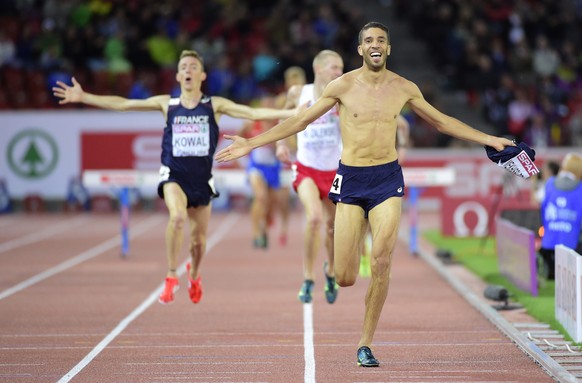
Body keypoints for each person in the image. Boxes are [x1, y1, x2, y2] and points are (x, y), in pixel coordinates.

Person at [215, 21, 514, 367]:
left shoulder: (404, 87)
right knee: (345, 276)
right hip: (352, 179)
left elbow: (442, 121)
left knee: (382, 260)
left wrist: (490, 140)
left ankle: (365, 343)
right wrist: (251, 143)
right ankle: (333, 270)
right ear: (360, 49)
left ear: (388, 48)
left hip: (387, 178)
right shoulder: (343, 85)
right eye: (369, 40)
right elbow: (299, 122)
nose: (375, 45)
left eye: (381, 40)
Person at [52, 50, 297, 305]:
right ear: (179, 75)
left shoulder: (215, 105)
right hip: (173, 174)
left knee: (198, 242)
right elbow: (124, 105)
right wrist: (84, 96)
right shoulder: (166, 104)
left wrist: (295, 115)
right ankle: (171, 275)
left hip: (202, 180)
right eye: (184, 67)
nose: (188, 70)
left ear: (202, 75)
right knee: (177, 217)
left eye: (193, 66)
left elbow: (253, 114)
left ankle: (195, 274)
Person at [275, 50, 344, 304]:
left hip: (335, 171)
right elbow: (282, 117)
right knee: (314, 218)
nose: (339, 73)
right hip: (305, 168)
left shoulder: (343, 95)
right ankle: (307, 278)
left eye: (341, 68)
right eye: (334, 68)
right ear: (318, 68)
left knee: (332, 227)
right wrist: (280, 145)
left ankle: (330, 270)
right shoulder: (298, 93)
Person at [237, 94, 283, 249]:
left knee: (271, 205)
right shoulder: (252, 124)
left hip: (273, 167)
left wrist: (278, 143)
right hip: (256, 166)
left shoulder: (279, 124)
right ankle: (256, 232)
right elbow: (239, 137)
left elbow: (285, 146)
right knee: (260, 197)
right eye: (265, 106)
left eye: (271, 106)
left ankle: (264, 227)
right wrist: (243, 153)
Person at [539, 153, 582, 279]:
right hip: (573, 245)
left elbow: (540, 204)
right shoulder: (580, 187)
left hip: (548, 243)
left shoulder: (549, 184)